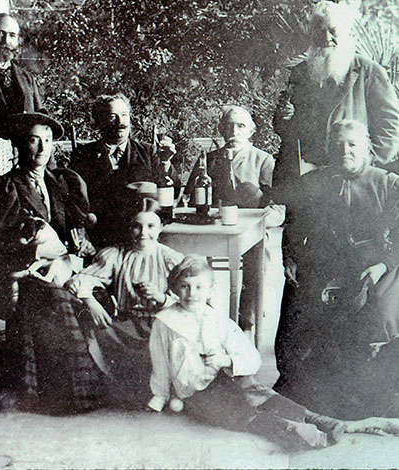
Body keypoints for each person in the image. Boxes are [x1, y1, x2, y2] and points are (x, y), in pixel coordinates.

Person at [148, 255, 399, 450]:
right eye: (184, 287)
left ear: (210, 289)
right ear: (174, 289)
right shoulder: (166, 322)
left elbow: (251, 358)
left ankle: (318, 419)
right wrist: (159, 397)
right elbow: (160, 362)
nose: (191, 294)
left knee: (261, 394)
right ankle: (296, 431)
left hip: (227, 375)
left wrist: (226, 360)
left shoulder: (217, 320)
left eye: (198, 287)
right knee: (238, 413)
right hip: (194, 390)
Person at [0, 112, 98, 411]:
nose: (41, 148)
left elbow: (75, 230)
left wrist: (78, 244)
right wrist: (29, 252)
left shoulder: (61, 183)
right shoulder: (4, 187)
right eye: (33, 140)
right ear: (20, 145)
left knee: (84, 291)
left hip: (61, 265)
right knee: (55, 298)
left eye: (47, 141)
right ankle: (61, 393)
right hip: (21, 270)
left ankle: (75, 385)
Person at [275, 120, 399, 418]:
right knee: (302, 301)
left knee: (381, 306)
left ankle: (377, 388)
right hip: (326, 260)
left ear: (368, 148)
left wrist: (382, 265)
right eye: (339, 145)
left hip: (379, 262)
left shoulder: (389, 183)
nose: (346, 150)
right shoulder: (313, 182)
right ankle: (306, 385)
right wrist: (290, 256)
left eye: (353, 144)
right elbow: (294, 226)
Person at [66, 197, 183, 405]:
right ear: (129, 228)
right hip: (127, 325)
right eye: (137, 227)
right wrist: (90, 300)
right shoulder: (116, 255)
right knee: (99, 330)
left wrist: (161, 298)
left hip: (162, 324)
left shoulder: (169, 258)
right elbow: (79, 279)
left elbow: (190, 299)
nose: (143, 233)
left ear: (161, 228)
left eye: (150, 226)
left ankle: (161, 388)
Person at [185, 105, 285, 336]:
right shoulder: (208, 159)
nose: (234, 131)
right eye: (228, 125)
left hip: (249, 231)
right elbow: (191, 198)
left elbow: (278, 207)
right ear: (221, 129)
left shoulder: (263, 160)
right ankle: (201, 314)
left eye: (240, 126)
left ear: (251, 131)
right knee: (190, 256)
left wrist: (260, 219)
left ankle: (245, 323)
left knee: (257, 256)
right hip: (213, 229)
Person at [273, 0, 399, 185]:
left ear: (347, 33)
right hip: (311, 175)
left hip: (355, 175)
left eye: (333, 30)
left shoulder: (368, 71)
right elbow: (283, 128)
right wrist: (285, 117)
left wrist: (367, 163)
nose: (326, 37)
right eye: (319, 30)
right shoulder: (300, 72)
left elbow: (390, 125)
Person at [70, 92, 179, 247]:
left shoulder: (148, 152)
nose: (121, 122)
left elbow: (170, 190)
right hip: (99, 239)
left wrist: (166, 163)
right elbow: (75, 202)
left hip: (141, 237)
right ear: (99, 121)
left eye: (124, 115)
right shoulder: (83, 155)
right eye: (112, 116)